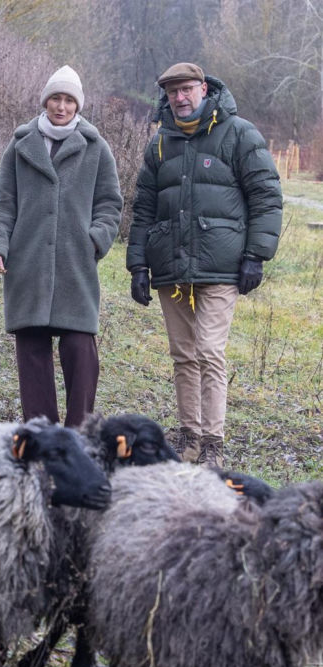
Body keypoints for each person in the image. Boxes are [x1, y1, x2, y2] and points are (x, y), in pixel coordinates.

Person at [126, 62, 282, 468]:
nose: (180, 98)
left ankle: (213, 442)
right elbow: (143, 209)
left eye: (187, 89)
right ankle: (189, 437)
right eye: (173, 92)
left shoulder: (240, 133)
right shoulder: (159, 142)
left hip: (221, 265)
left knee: (210, 351)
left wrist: (255, 256)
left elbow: (266, 196)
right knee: (183, 355)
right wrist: (138, 265)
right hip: (171, 266)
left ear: (204, 89)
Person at [0, 65, 122, 428]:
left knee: (79, 347)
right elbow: (4, 203)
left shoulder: (95, 147)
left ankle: (79, 433)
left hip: (76, 263)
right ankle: (42, 433)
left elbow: (110, 204)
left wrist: (95, 240)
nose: (61, 106)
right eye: (55, 99)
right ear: (45, 101)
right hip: (27, 261)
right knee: (31, 350)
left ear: (78, 105)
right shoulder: (21, 143)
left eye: (68, 100)